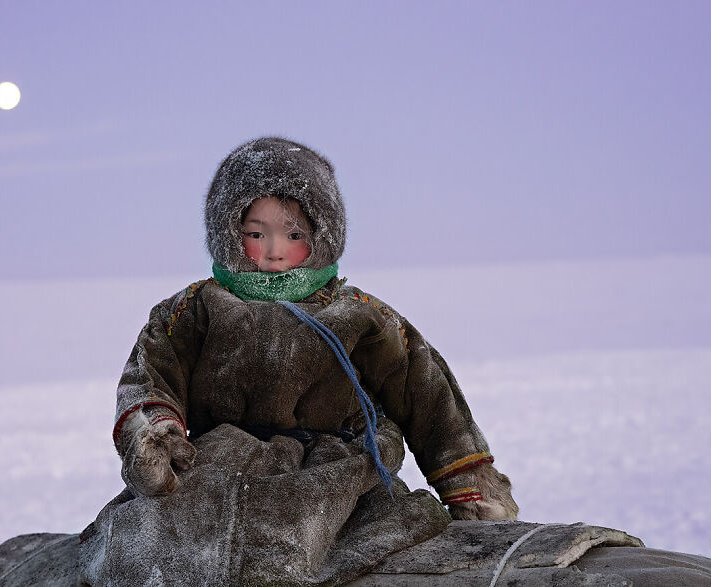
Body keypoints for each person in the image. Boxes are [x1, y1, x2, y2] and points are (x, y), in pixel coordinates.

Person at [79, 137, 518, 585]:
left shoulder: (356, 312)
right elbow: (150, 375)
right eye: (255, 234)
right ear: (228, 232)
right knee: (151, 542)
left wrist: (467, 480)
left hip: (331, 466)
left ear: (322, 235)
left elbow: (423, 391)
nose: (273, 250)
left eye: (293, 234)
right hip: (215, 463)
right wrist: (155, 436)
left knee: (282, 543)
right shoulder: (194, 310)